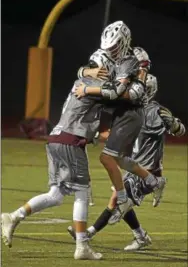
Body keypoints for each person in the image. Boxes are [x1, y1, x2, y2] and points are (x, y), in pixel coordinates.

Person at [1, 53, 116, 261]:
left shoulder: (81, 80)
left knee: (55, 195)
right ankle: (82, 245)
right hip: (70, 141)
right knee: (82, 191)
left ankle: (13, 216)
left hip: (56, 138)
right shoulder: (97, 87)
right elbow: (117, 93)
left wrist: (84, 71)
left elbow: (84, 87)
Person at [68, 74, 186, 251]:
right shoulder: (132, 109)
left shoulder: (155, 111)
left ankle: (89, 233)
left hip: (148, 169)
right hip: (133, 166)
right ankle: (140, 236)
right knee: (121, 199)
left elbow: (179, 131)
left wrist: (175, 124)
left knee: (117, 199)